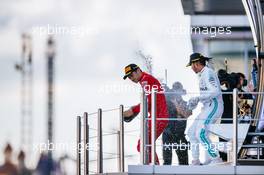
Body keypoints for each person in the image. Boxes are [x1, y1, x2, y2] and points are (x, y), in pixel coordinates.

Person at [122, 64, 168, 164]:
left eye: (131, 75)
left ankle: (153, 165)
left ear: (138, 70)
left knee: (144, 143)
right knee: (143, 144)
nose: (131, 79)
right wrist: (134, 110)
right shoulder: (145, 79)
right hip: (156, 116)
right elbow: (148, 100)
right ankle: (154, 164)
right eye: (129, 77)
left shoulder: (145, 80)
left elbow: (147, 101)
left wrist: (133, 111)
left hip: (159, 117)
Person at [186, 53, 224, 165]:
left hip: (214, 105)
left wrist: (198, 97)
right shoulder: (202, 74)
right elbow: (205, 95)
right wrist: (195, 102)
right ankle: (196, 161)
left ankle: (216, 159)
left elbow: (215, 91)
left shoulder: (208, 73)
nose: (191, 68)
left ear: (196, 64)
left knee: (201, 133)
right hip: (207, 107)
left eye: (191, 65)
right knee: (191, 133)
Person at [162, 82, 191, 165]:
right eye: (174, 91)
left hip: (180, 134)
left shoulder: (186, 103)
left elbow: (186, 114)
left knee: (184, 163)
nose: (176, 93)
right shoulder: (167, 102)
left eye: (178, 91)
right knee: (167, 162)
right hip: (167, 133)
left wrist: (175, 104)